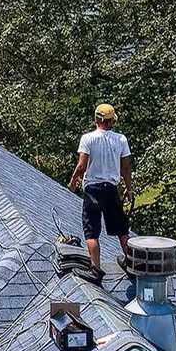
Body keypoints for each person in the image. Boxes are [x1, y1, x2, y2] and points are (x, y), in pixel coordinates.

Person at [69, 103, 133, 273]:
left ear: (96, 119)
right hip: (111, 189)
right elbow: (125, 168)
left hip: (93, 191)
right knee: (122, 229)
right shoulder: (120, 139)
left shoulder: (88, 138)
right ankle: (131, 263)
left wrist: (73, 180)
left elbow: (81, 166)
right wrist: (129, 189)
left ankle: (95, 269)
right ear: (111, 121)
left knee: (92, 231)